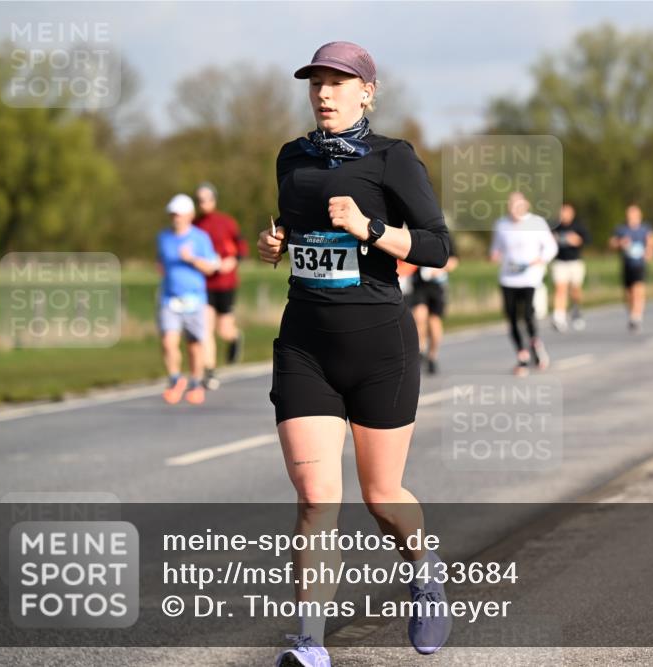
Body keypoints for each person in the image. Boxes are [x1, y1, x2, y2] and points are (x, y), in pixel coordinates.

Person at [256, 41, 452, 667]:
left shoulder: (392, 158)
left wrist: (370, 229)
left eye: (339, 82)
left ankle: (423, 568)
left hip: (379, 347)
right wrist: (277, 239)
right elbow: (297, 226)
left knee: (380, 495)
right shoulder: (291, 157)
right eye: (316, 81)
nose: (324, 92)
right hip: (305, 344)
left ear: (368, 91)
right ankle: (310, 643)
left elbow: (437, 247)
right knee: (316, 497)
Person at [156, 194, 220, 405]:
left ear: (190, 215)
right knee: (168, 341)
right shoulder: (163, 237)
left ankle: (195, 382)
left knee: (194, 344)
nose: (176, 218)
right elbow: (161, 263)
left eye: (179, 214)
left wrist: (191, 259)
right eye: (172, 214)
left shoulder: (200, 238)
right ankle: (175, 379)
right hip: (170, 298)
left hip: (194, 299)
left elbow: (211, 267)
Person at [490, 191, 558, 376]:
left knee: (527, 314)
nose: (514, 209)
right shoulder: (501, 224)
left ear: (526, 205)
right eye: (511, 205)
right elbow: (496, 247)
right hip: (508, 277)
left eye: (518, 205)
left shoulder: (536, 223)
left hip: (530, 276)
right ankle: (522, 354)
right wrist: (495, 255)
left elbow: (551, 248)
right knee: (511, 316)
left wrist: (539, 260)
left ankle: (535, 342)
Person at [193, 182, 247, 390]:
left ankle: (234, 337)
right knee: (205, 329)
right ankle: (210, 372)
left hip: (225, 282)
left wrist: (231, 261)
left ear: (214, 200)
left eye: (206, 199)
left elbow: (241, 247)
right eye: (199, 200)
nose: (203, 203)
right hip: (203, 283)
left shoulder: (227, 222)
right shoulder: (195, 225)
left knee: (224, 329)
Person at [410, 237, 459, 374]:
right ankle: (421, 348)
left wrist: (437, 271)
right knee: (419, 316)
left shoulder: (445, 235)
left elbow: (454, 261)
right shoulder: (415, 232)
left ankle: (432, 356)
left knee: (434, 321)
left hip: (437, 286)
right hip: (419, 285)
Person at [609, 204, 653, 332]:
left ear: (639, 215)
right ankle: (632, 314)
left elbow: (652, 241)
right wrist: (620, 243)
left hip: (639, 264)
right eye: (629, 214)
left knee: (638, 289)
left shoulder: (645, 228)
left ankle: (637, 316)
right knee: (628, 293)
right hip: (626, 264)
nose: (631, 217)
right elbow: (612, 243)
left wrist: (650, 251)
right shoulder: (621, 229)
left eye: (634, 214)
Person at [549, 202, 591, 331]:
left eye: (566, 212)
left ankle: (576, 309)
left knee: (575, 290)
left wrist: (577, 240)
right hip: (560, 262)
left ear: (572, 213)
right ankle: (559, 317)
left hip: (575, 262)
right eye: (562, 212)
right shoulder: (554, 227)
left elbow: (588, 240)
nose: (564, 215)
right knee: (560, 288)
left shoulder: (578, 226)